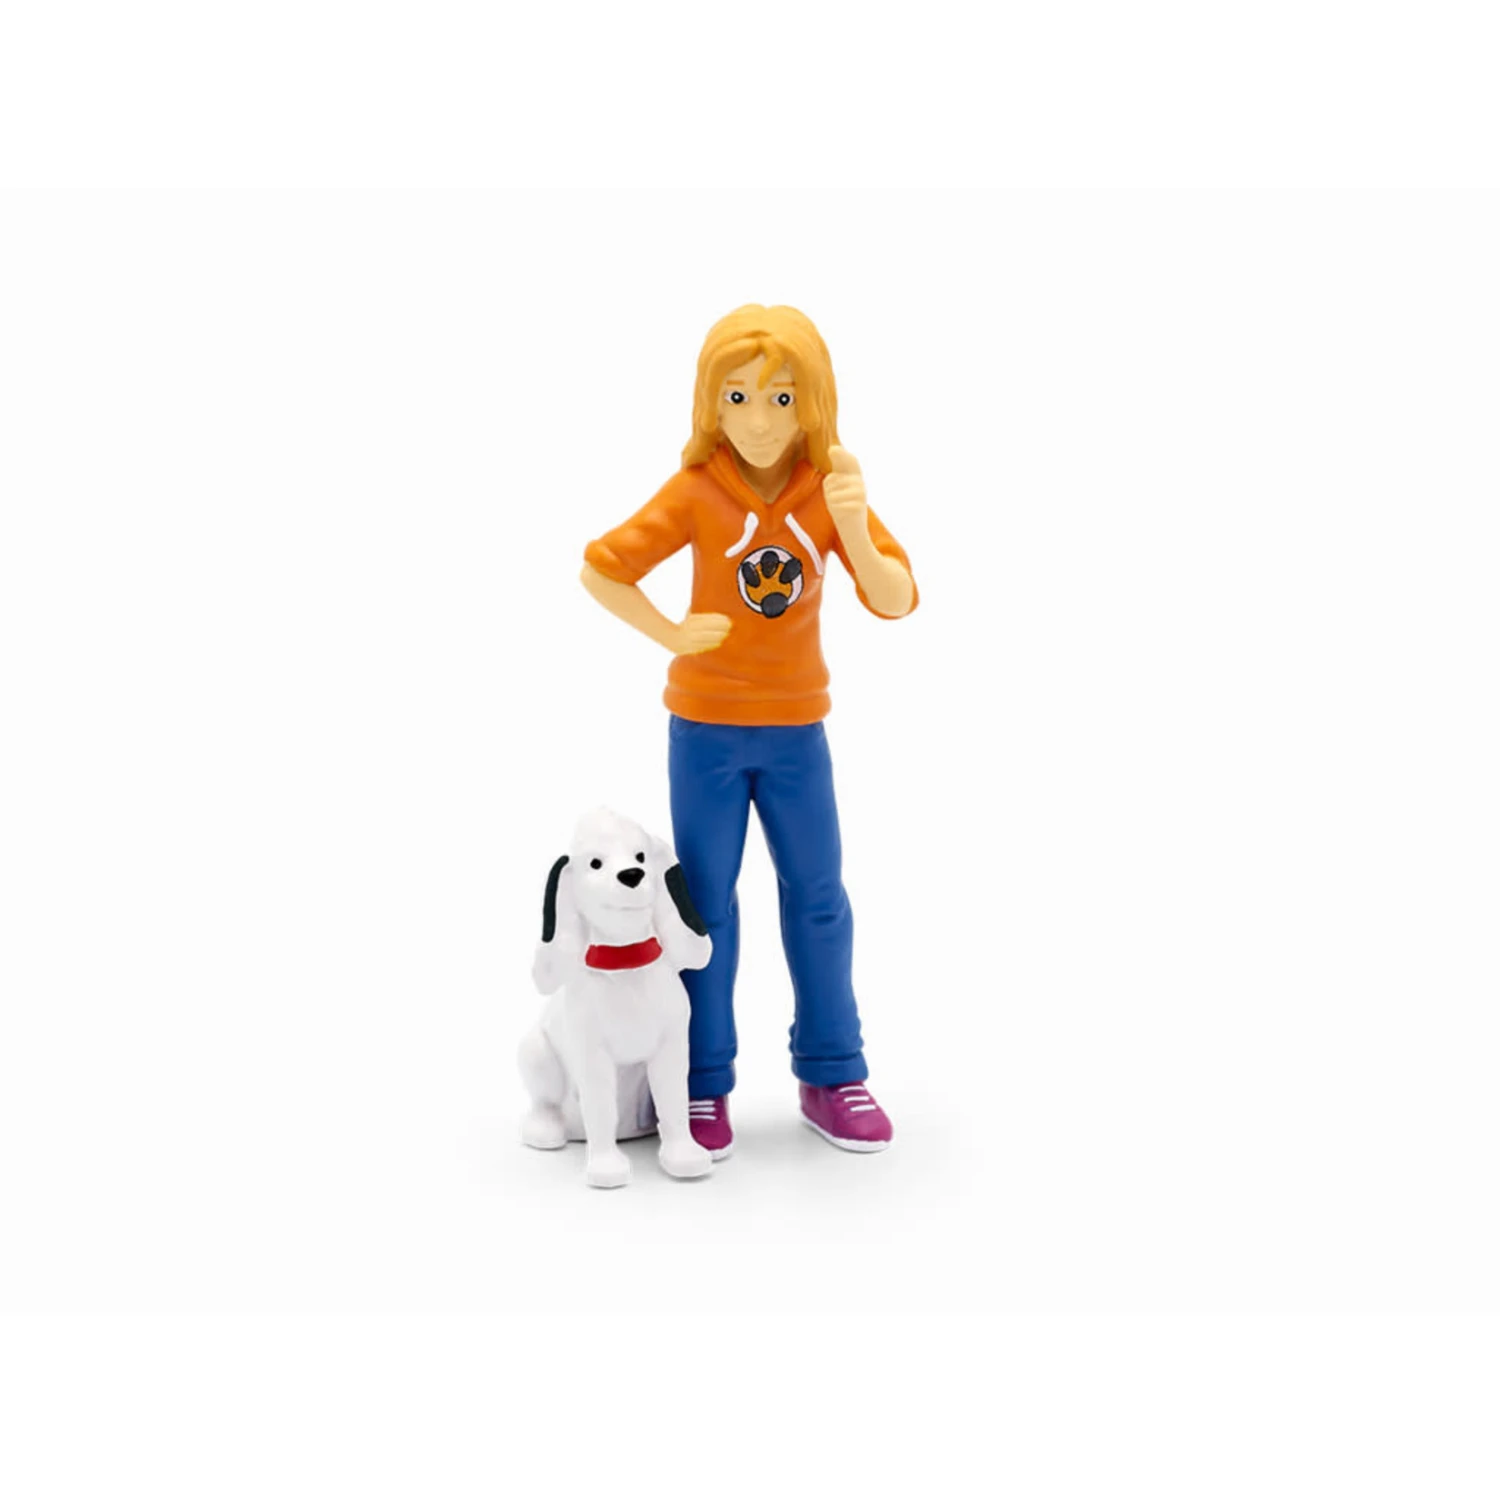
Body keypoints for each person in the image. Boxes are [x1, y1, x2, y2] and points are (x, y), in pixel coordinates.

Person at [579, 304, 917, 1157]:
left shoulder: (826, 488)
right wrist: (669, 633)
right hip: (706, 735)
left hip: (798, 733)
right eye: (737, 397)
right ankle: (700, 1080)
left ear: (813, 405)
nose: (759, 421)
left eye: (780, 398)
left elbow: (896, 597)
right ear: (710, 405)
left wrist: (853, 522)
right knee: (705, 909)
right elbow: (603, 568)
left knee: (820, 899)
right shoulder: (697, 491)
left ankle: (832, 1071)